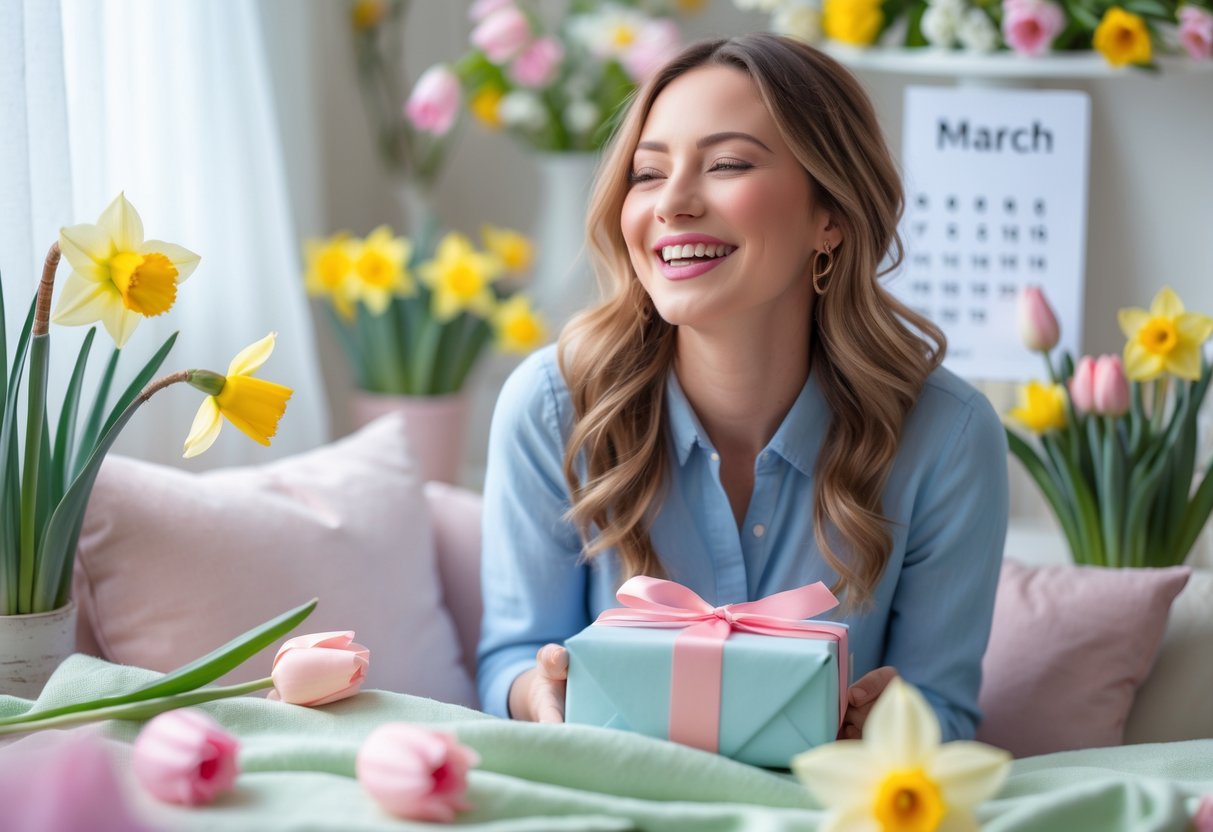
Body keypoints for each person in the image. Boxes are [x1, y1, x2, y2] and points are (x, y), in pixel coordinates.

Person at [477, 32, 1008, 743]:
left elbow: (943, 709)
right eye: (646, 173)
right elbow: (510, 658)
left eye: (725, 164)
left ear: (831, 217)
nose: (672, 203)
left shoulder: (946, 437)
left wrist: (896, 722)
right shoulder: (550, 408)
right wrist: (538, 693)